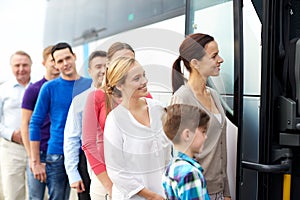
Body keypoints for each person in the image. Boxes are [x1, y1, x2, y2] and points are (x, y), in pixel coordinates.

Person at [82, 42, 152, 200]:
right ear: (109, 65)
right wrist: (109, 186)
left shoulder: (146, 97)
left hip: (141, 180)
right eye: (122, 61)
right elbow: (88, 143)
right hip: (107, 180)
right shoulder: (96, 97)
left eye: (132, 61)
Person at [170, 33, 231, 199]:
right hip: (196, 191)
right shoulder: (182, 98)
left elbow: (221, 147)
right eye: (214, 56)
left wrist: (226, 192)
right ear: (195, 63)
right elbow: (178, 155)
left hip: (217, 191)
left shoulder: (214, 96)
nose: (220, 59)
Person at [29, 42, 92, 200]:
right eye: (60, 61)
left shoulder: (90, 85)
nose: (65, 64)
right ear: (55, 65)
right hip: (57, 154)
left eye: (68, 58)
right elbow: (35, 123)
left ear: (74, 57)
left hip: (86, 153)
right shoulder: (49, 88)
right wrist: (35, 161)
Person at [103, 57, 172, 200]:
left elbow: (168, 156)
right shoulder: (115, 121)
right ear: (120, 85)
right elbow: (117, 172)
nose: (144, 81)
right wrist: (152, 196)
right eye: (137, 78)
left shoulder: (158, 108)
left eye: (144, 75)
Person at [64, 50, 107, 200]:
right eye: (98, 66)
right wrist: (73, 174)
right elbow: (71, 137)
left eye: (107, 66)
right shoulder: (80, 100)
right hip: (87, 161)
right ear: (90, 71)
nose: (103, 70)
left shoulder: (120, 97)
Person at [21, 45, 60, 200]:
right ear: (44, 63)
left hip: (59, 153)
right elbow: (25, 124)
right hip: (40, 152)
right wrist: (32, 157)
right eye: (53, 60)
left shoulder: (67, 87)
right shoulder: (34, 89)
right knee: (35, 197)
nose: (57, 64)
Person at [0, 50, 32, 200]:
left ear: (31, 65)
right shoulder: (3, 90)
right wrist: (12, 134)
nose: (21, 69)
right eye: (17, 65)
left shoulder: (39, 87)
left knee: (39, 193)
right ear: (11, 67)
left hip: (35, 147)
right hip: (11, 148)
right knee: (13, 194)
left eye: (25, 65)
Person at [161, 104, 210, 200]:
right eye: (203, 132)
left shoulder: (172, 167)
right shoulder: (190, 174)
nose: (206, 136)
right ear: (187, 135)